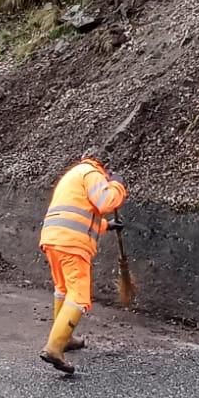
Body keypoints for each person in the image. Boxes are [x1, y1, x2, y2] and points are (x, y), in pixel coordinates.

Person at [38, 147, 128, 374]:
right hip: (72, 244)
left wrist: (106, 225)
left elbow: (79, 213)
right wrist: (117, 185)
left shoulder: (73, 175)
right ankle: (54, 348)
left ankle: (65, 338)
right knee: (79, 297)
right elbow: (106, 202)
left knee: (63, 289)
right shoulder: (92, 173)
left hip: (53, 239)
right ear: (103, 166)